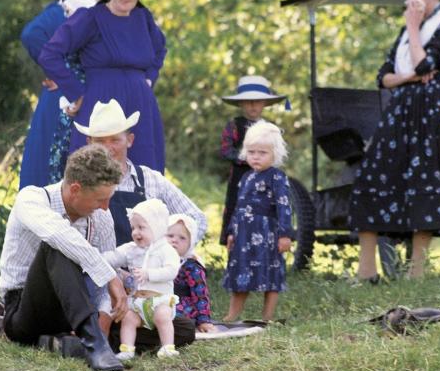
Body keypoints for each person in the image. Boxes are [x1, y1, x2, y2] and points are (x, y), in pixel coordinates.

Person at [349, 0, 440, 281]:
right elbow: (383, 77)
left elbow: (428, 63)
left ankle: (417, 272)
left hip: (430, 115)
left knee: (425, 184)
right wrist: (409, 75)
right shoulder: (402, 34)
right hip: (400, 111)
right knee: (372, 178)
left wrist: (413, 28)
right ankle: (366, 271)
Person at [0, 145, 126, 371]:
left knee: (178, 329)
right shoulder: (31, 199)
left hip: (75, 306)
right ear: (75, 189)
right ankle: (94, 345)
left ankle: (68, 341)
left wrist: (105, 317)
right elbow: (58, 234)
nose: (105, 207)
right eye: (100, 199)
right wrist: (110, 275)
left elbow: (106, 273)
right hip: (24, 310)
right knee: (58, 246)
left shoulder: (101, 217)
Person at [39, 0, 169, 172]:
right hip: (100, 101)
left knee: (143, 171)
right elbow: (50, 54)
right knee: (94, 172)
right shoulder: (89, 18)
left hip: (141, 106)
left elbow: (159, 50)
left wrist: (149, 79)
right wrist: (76, 93)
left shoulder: (144, 19)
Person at [20, 0, 109, 188]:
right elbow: (32, 35)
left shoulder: (103, 15)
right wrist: (62, 75)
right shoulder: (65, 11)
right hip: (64, 99)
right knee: (51, 167)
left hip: (90, 97)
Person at [75, 98, 207, 250]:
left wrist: (167, 251)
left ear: (129, 140)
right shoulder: (78, 182)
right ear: (88, 142)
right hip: (96, 269)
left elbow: (197, 219)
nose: (107, 148)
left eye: (115, 140)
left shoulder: (150, 179)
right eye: (100, 141)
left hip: (146, 270)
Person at [222, 121, 293, 323]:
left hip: (267, 235)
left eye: (262, 152)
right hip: (244, 235)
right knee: (240, 274)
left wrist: (285, 234)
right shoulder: (245, 178)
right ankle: (232, 314)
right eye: (252, 152)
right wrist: (231, 232)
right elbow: (238, 207)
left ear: (274, 154)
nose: (256, 156)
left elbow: (284, 207)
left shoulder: (277, 177)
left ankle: (267, 317)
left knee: (270, 276)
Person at [104, 199, 180, 360]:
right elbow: (113, 257)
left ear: (157, 227)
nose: (136, 232)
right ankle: (127, 349)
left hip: (159, 300)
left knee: (162, 317)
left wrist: (149, 274)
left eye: (141, 227)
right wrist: (97, 258)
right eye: (133, 228)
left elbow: (172, 270)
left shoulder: (166, 249)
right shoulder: (131, 249)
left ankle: (167, 347)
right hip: (138, 302)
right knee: (129, 318)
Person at [219, 75, 288, 245]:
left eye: (257, 101)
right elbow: (225, 149)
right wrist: (248, 158)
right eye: (248, 101)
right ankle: (233, 242)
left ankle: (265, 243)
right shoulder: (234, 125)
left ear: (264, 103)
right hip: (239, 176)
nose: (253, 105)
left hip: (266, 176)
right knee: (236, 206)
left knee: (265, 207)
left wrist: (264, 161)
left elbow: (276, 152)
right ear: (241, 103)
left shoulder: (270, 128)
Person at [167, 213, 215, 333]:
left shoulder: (191, 266)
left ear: (190, 243)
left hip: (182, 306)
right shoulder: (157, 261)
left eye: (182, 238)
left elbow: (200, 295)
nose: (174, 240)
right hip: (160, 302)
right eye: (170, 235)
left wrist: (204, 320)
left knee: (174, 317)